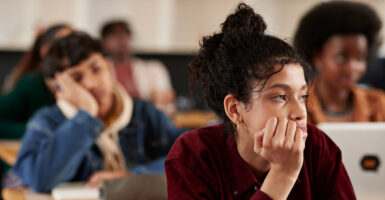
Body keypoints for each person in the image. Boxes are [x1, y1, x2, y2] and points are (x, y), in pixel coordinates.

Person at [165, 3, 355, 200]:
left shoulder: (318, 148)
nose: (301, 113)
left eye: (302, 97)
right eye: (281, 97)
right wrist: (283, 174)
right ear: (235, 110)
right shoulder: (193, 155)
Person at [13, 32, 186, 193]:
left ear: (109, 68)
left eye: (96, 69)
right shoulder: (48, 120)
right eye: (76, 78)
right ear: (59, 88)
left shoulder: (144, 113)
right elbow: (38, 179)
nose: (91, 83)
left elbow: (188, 156)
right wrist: (86, 117)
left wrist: (132, 176)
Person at [293, 1, 385, 124]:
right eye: (341, 58)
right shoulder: (295, 103)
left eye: (359, 59)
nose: (352, 68)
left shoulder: (378, 104)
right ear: (317, 57)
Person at [0, 24, 72, 139]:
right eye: (65, 45)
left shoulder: (82, 86)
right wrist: (38, 130)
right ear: (45, 50)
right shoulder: (32, 84)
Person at [100, 20, 176, 116]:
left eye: (125, 34)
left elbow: (166, 98)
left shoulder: (154, 68)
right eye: (114, 36)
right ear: (103, 43)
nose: (121, 39)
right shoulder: (98, 70)